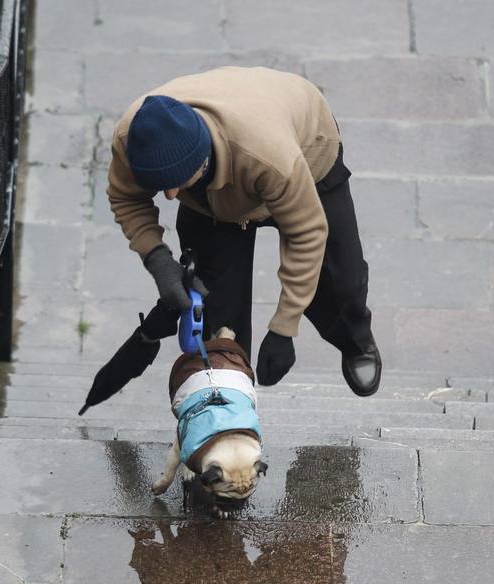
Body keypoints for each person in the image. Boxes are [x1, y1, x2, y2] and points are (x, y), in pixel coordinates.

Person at [106, 66, 381, 395]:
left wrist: (284, 327)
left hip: (304, 154)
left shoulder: (270, 156)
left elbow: (307, 234)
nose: (169, 196)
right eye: (161, 185)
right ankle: (227, 390)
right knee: (215, 308)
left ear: (202, 160)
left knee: (340, 283)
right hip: (212, 200)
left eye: (177, 183)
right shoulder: (134, 138)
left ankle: (356, 341)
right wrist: (159, 260)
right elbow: (126, 197)